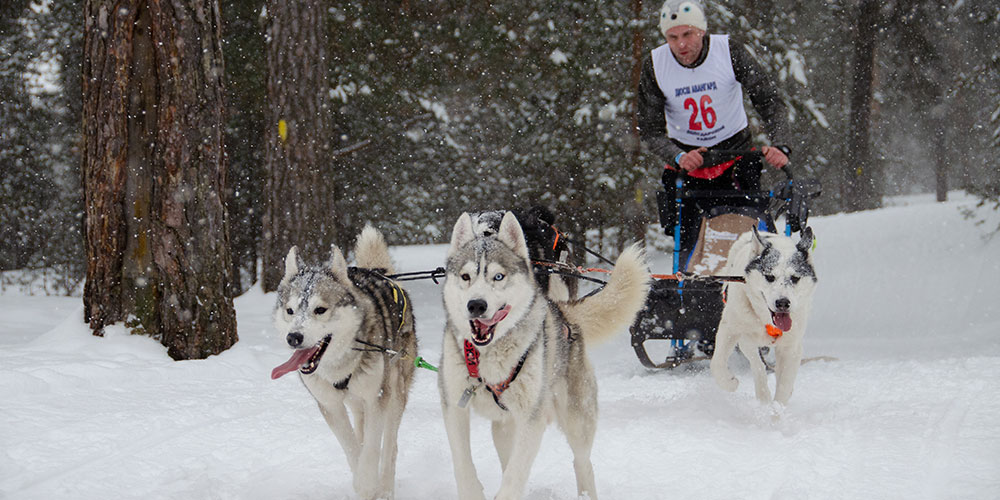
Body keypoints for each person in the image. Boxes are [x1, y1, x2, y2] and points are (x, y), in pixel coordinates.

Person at [637, 0, 792, 267]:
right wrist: (677, 156)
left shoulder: (727, 50)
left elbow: (768, 99)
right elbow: (649, 131)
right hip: (688, 167)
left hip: (736, 158)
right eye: (672, 37)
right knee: (690, 250)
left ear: (702, 30)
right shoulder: (655, 64)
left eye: (688, 34)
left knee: (747, 242)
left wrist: (781, 145)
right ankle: (692, 298)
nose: (681, 44)